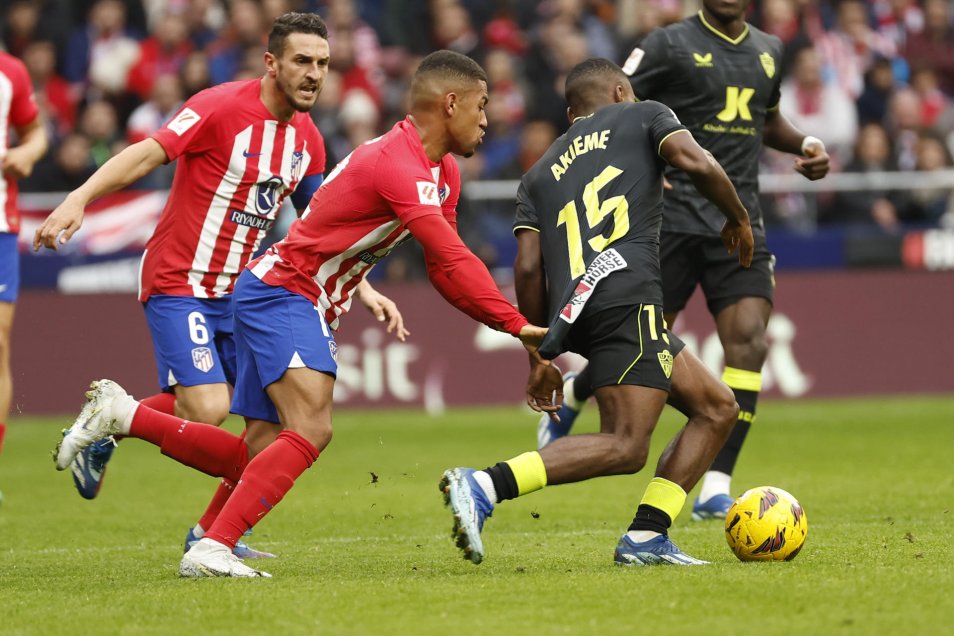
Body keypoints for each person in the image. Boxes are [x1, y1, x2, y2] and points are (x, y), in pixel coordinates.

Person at [52, 50, 552, 578]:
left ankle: (195, 517)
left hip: (294, 295)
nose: (486, 119)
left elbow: (445, 269)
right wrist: (517, 325)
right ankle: (191, 519)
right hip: (284, 292)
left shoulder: (442, 171)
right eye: (481, 105)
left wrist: (509, 325)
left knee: (259, 452)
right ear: (450, 103)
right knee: (310, 426)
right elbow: (452, 256)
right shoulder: (398, 162)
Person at [34, 12, 404, 559]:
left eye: (323, 63)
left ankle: (200, 523)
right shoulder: (219, 106)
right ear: (271, 62)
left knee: (267, 430)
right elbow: (147, 152)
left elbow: (318, 225)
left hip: (243, 295)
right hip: (179, 278)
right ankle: (119, 416)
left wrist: (364, 286)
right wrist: (79, 198)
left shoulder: (309, 141)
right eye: (303, 61)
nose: (314, 74)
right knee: (207, 408)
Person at [440, 58, 754, 567]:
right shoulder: (645, 114)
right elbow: (696, 162)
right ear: (620, 91)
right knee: (627, 444)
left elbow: (525, 269)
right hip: (629, 296)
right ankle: (484, 485)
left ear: (570, 114)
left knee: (716, 406)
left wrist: (540, 354)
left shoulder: (537, 175)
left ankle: (648, 537)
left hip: (577, 311)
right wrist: (738, 218)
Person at [539, 0, 830, 522]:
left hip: (736, 218)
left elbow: (766, 120)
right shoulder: (667, 44)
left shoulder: (769, 50)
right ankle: (577, 388)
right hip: (666, 221)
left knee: (749, 342)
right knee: (650, 354)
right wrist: (641, 154)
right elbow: (609, 100)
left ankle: (717, 484)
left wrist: (804, 142)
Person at [0, 48, 49, 503]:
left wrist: (25, 153)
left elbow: (36, 132)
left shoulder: (10, 69)